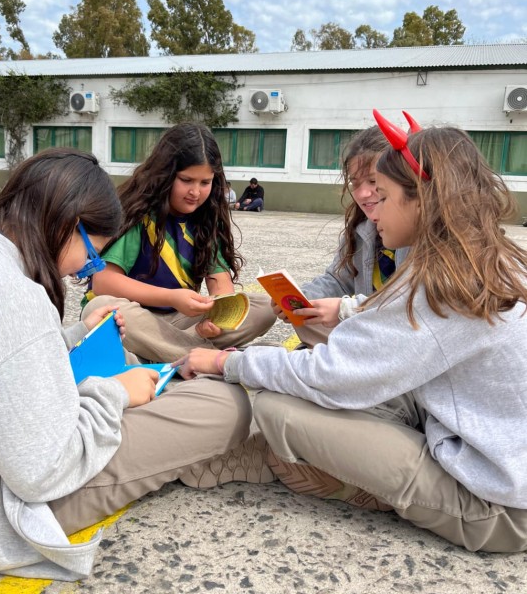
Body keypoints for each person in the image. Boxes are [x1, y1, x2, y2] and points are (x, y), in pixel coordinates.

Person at [0, 148, 253, 580]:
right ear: (67, 223)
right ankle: (230, 454)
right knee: (219, 405)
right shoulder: (14, 296)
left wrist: (70, 337)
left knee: (145, 375)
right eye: (91, 254)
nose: (83, 270)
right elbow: (40, 472)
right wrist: (117, 393)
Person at [177, 114, 527, 553]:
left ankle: (354, 486)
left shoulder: (444, 282)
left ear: (422, 199)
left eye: (381, 193)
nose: (370, 203)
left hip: (497, 507)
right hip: (483, 450)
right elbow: (375, 332)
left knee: (279, 409)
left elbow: (331, 372)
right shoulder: (477, 256)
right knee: (314, 376)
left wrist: (225, 362)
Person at [81, 124, 276, 363]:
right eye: (186, 180)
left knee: (265, 307)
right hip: (137, 318)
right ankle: (207, 357)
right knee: (100, 309)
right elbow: (103, 282)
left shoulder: (206, 221)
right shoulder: (139, 215)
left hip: (181, 323)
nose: (195, 191)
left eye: (205, 183)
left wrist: (216, 318)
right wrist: (172, 298)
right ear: (165, 174)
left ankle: (163, 353)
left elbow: (221, 286)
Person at [288, 125, 409, 347]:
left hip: (401, 339)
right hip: (366, 330)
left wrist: (344, 309)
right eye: (355, 183)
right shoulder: (360, 230)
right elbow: (337, 279)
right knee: (307, 314)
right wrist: (302, 297)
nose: (362, 194)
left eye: (374, 182)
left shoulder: (424, 237)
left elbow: (412, 309)